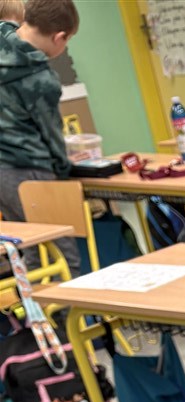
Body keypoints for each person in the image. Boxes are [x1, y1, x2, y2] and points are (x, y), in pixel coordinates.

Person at [0, 0, 80, 273]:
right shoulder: (42, 79)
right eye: (67, 41)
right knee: (63, 255)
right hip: (29, 169)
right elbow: (52, 136)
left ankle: (32, 301)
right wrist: (65, 171)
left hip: (3, 173)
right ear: (59, 37)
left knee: (30, 248)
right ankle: (63, 303)